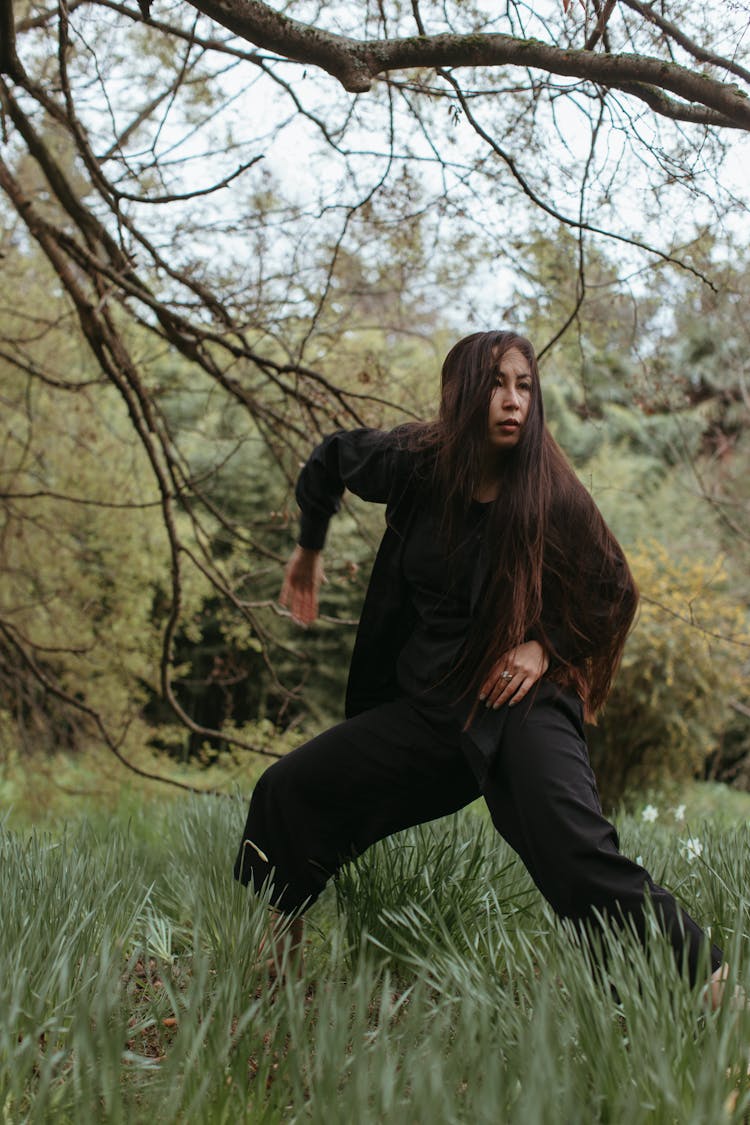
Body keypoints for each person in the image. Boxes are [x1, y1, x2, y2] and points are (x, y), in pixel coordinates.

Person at [234, 329, 728, 1000]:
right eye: (496, 383)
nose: (512, 400)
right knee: (290, 787)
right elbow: (330, 459)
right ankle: (274, 972)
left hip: (519, 702)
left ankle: (708, 985)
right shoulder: (413, 462)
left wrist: (544, 644)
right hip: (431, 707)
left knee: (571, 847)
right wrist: (309, 549)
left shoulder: (553, 491)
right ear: (461, 393)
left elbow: (613, 589)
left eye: (524, 386)